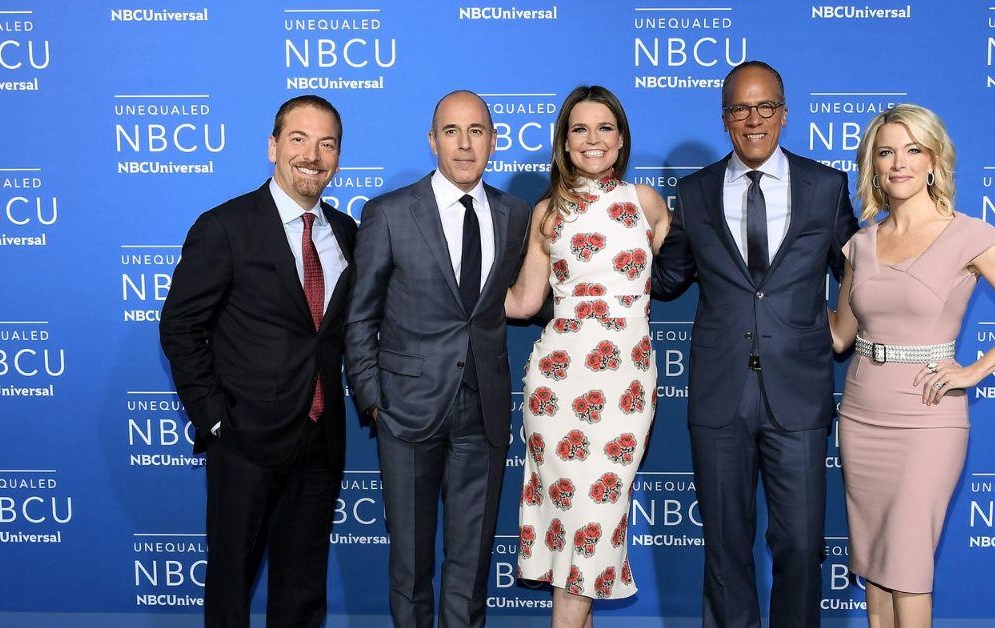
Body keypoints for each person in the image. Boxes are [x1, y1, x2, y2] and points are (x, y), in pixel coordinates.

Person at [651, 61, 859, 628]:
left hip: (799, 392)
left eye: (765, 107)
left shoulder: (825, 187)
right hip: (720, 396)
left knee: (800, 545)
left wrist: (845, 330)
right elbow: (666, 281)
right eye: (740, 109)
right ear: (724, 119)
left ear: (784, 114)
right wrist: (613, 233)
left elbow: (863, 274)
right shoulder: (693, 193)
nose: (753, 120)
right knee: (724, 551)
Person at [828, 104, 995, 627]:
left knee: (907, 567)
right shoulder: (861, 244)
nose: (899, 163)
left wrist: (973, 370)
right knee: (876, 568)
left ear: (933, 161)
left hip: (928, 419)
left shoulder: (968, 235)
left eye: (912, 150)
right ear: (873, 165)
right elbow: (840, 336)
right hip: (861, 415)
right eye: (886, 152)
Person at [159, 95, 356, 628]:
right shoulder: (225, 226)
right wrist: (217, 418)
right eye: (298, 139)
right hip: (245, 440)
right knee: (230, 588)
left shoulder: (347, 234)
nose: (312, 155)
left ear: (338, 157)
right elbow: (179, 327)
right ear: (273, 147)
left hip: (320, 440)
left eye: (326, 143)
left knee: (301, 589)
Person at [344, 90, 532, 628]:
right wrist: (374, 401)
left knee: (471, 567)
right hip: (406, 412)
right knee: (410, 566)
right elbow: (361, 316)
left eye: (477, 131)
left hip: (483, 412)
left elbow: (521, 298)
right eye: (451, 131)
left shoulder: (514, 213)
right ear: (432, 141)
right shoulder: (389, 212)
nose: (465, 143)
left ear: (494, 141)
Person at [506, 85, 670, 627]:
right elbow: (527, 301)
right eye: (580, 129)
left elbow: (651, 280)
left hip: (625, 382)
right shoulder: (547, 213)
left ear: (621, 139)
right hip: (560, 383)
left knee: (596, 518)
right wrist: (444, 289)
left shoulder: (647, 204)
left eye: (604, 128)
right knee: (575, 526)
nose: (593, 139)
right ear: (564, 141)